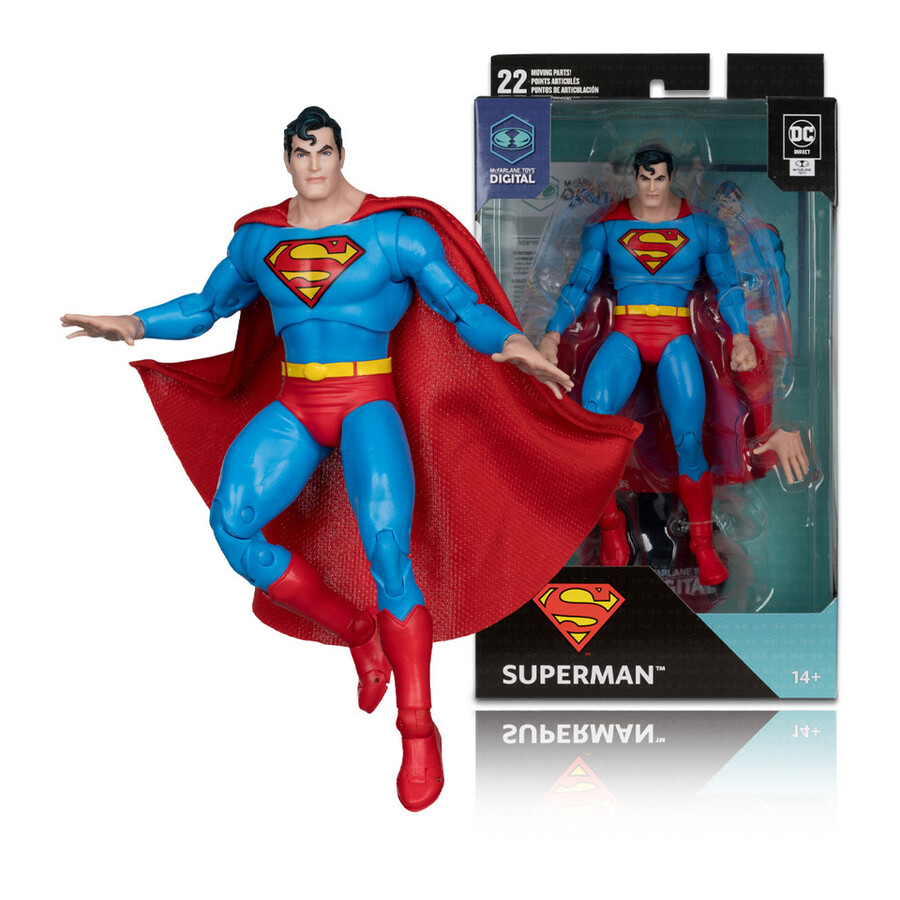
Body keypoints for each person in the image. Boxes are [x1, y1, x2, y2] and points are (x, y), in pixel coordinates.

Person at [63, 107, 638, 812]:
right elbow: (208, 307)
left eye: (324, 150)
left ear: (341, 155)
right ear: (286, 159)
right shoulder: (258, 241)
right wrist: (135, 323)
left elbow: (460, 308)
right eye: (301, 152)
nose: (314, 164)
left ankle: (418, 729)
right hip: (296, 408)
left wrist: (513, 343)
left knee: (389, 554)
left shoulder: (394, 233)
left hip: (369, 405)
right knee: (232, 525)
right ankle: (353, 628)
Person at [538, 146, 760, 586]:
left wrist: (740, 336)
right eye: (645, 178)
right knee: (594, 426)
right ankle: (610, 527)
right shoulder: (607, 227)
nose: (652, 187)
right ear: (634, 178)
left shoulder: (702, 228)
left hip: (676, 336)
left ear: (671, 177)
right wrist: (552, 333)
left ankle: (702, 544)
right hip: (625, 332)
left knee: (689, 441)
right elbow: (578, 284)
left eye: (659, 178)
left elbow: (729, 287)